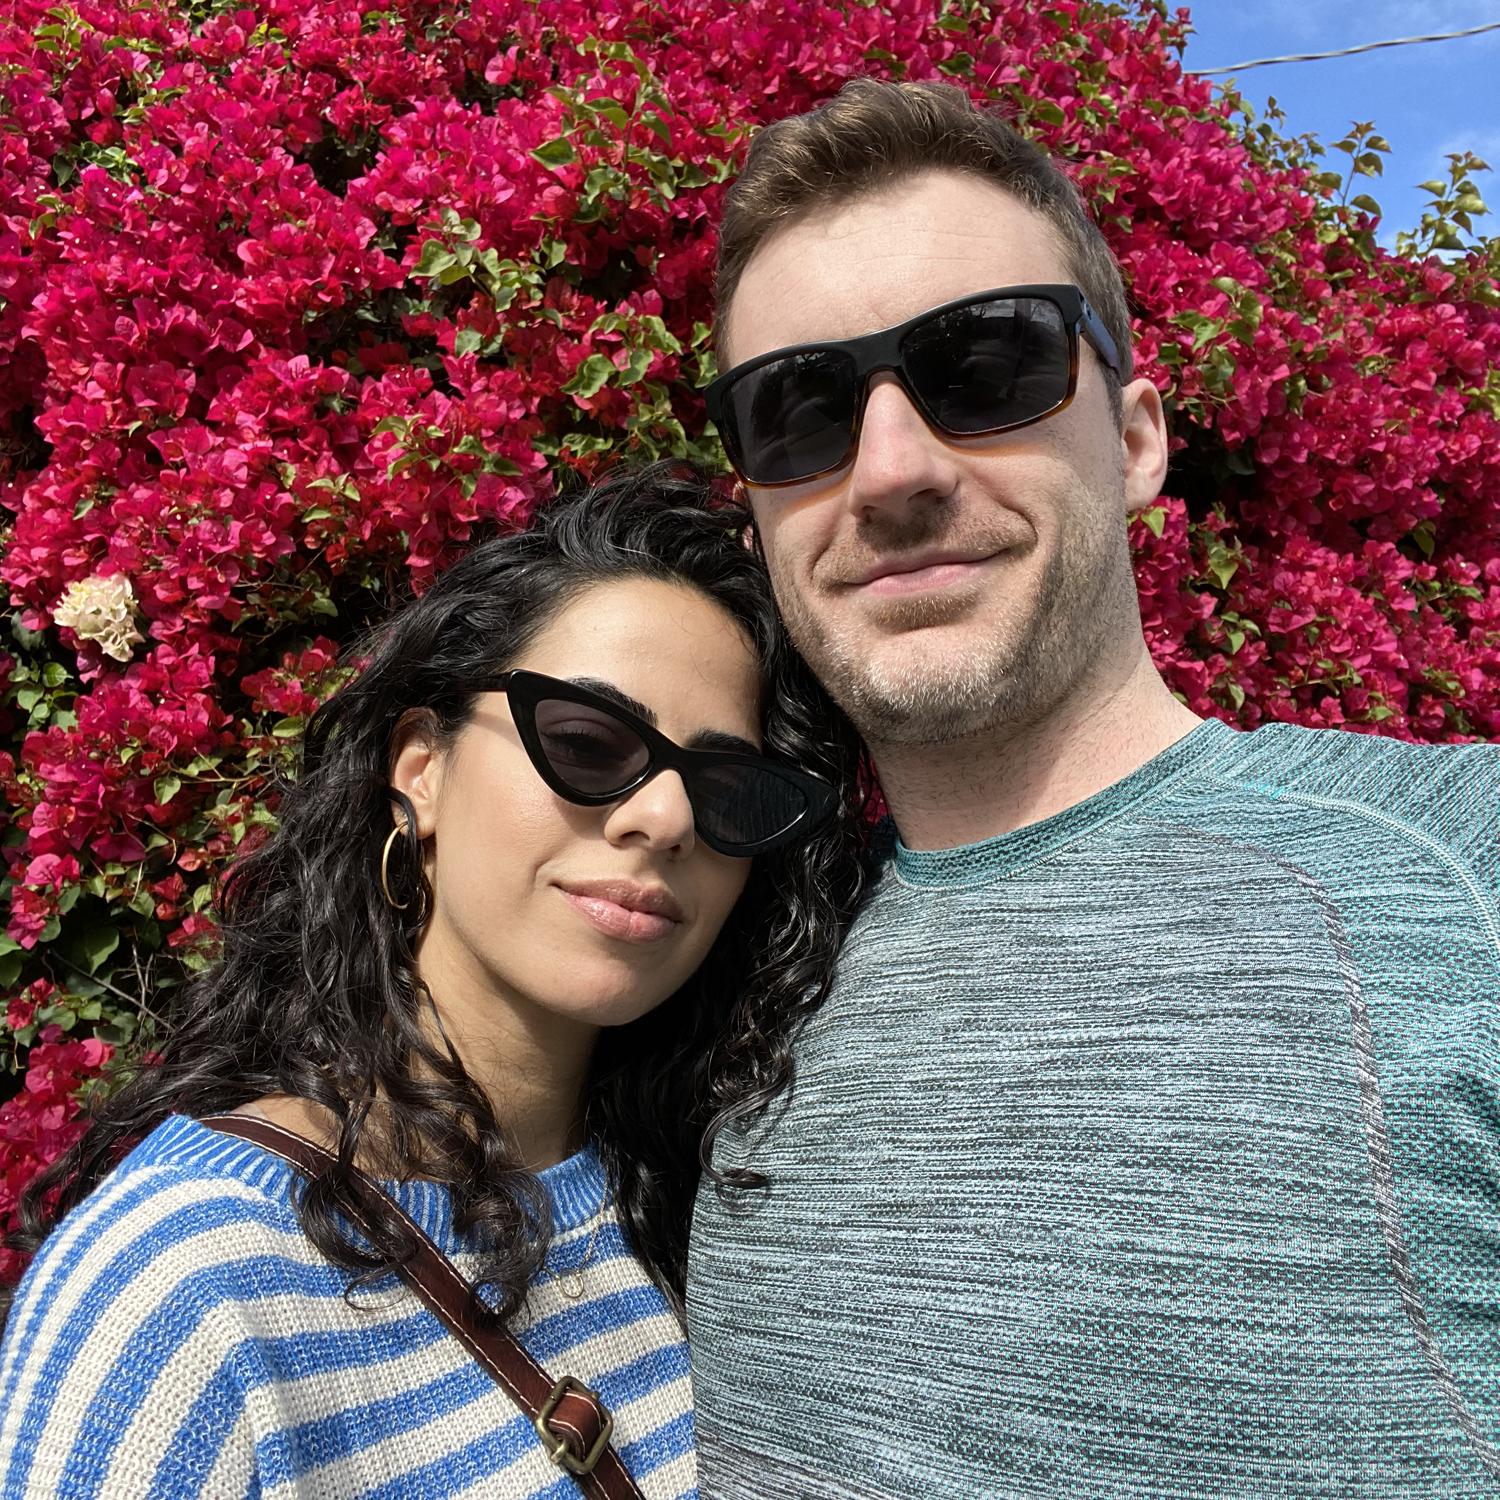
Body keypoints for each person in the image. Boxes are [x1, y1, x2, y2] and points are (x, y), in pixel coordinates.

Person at [687, 77, 1500, 1498]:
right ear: (755, 516)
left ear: (1134, 443)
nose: (889, 470)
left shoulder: (1458, 872)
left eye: (986, 367)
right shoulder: (732, 971)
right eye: (800, 410)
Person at [0, 467, 868, 1499]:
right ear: (421, 769)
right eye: (588, 743)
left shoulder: (688, 1204)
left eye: (725, 789)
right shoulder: (184, 1286)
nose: (663, 820)